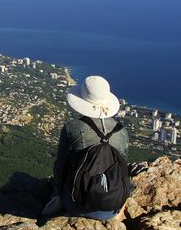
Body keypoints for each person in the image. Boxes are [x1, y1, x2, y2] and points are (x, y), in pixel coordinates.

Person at [44, 75, 129, 220]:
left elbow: (60, 165)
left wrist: (57, 192)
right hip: (112, 208)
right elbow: (123, 168)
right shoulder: (121, 131)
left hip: (76, 204)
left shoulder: (72, 127)